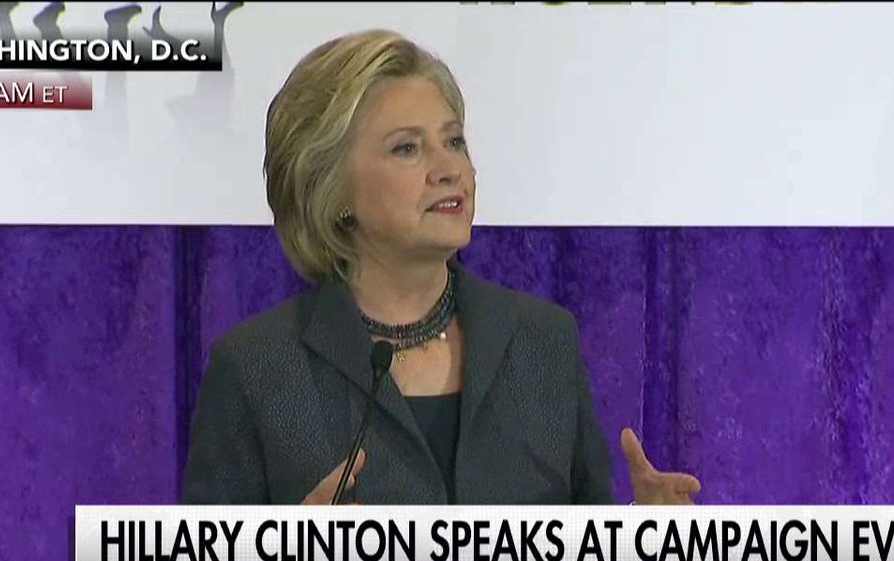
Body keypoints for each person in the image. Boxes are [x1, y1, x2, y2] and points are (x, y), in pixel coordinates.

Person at [181, 29, 700, 507]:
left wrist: (640, 539)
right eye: (407, 148)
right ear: (332, 190)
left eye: (454, 141)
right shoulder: (258, 369)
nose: (450, 168)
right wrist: (285, 560)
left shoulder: (542, 342)